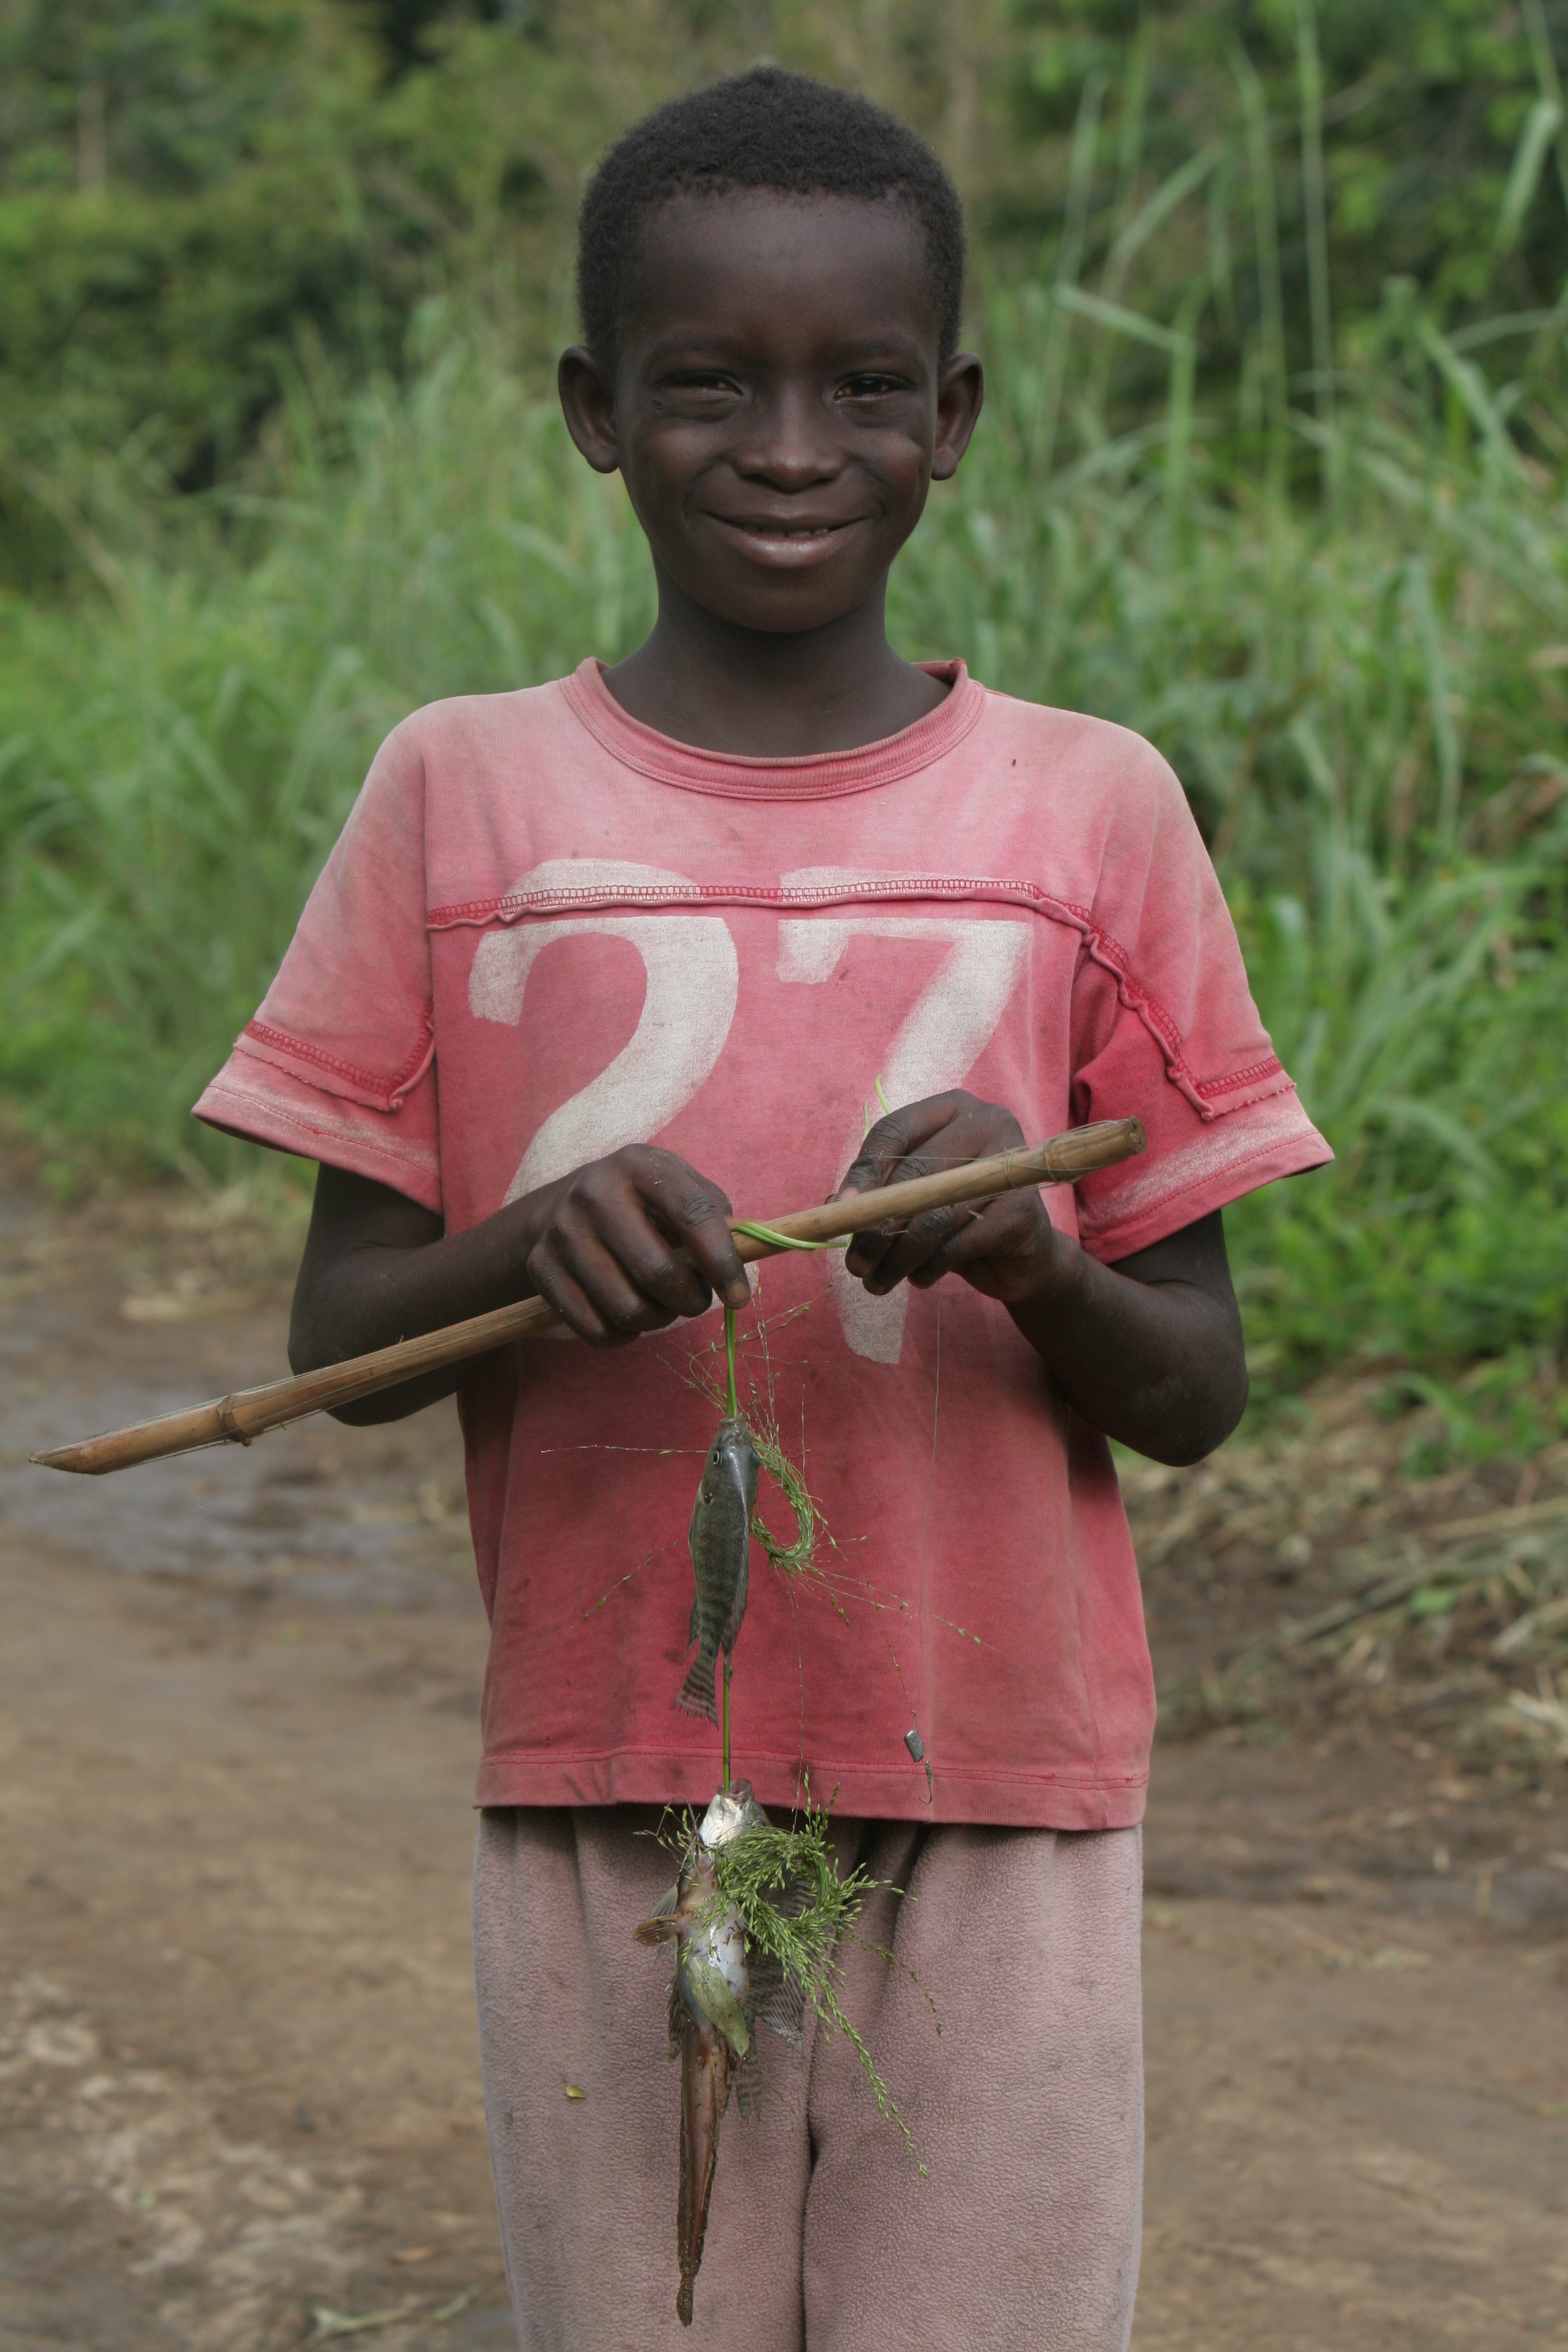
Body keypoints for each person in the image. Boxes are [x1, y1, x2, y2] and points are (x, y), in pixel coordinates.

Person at [195, 66, 1330, 2352]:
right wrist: (528, 1250)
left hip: (998, 1786)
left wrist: (1037, 1260)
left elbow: (1197, 1387)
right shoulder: (458, 790)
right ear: (597, 411)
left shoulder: (1091, 809)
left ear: (959, 415)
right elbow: (335, 1343)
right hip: (608, 1774)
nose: (793, 444)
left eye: (865, 388)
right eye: (711, 384)